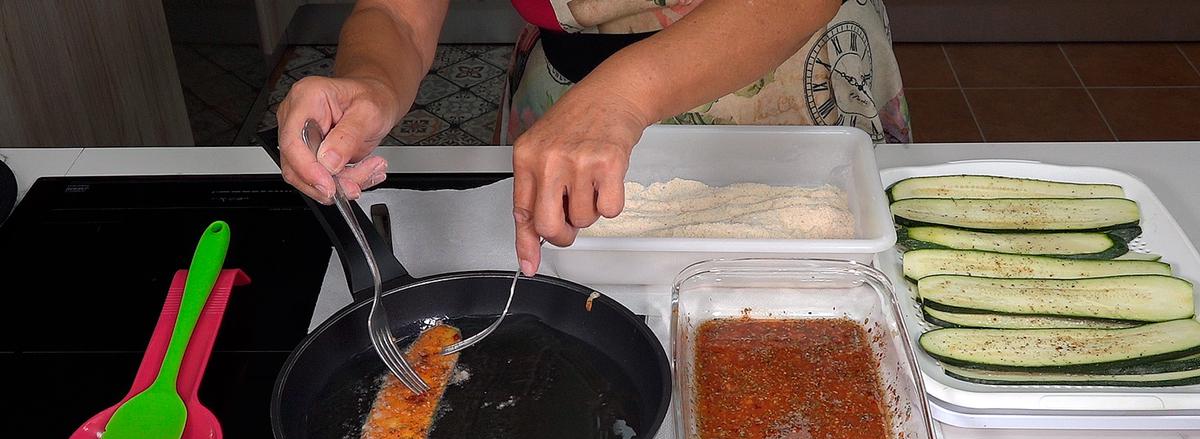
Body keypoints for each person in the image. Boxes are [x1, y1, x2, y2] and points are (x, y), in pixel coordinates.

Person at [277, 0, 908, 275]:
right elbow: (394, 13)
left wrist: (623, 96)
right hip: (565, 92)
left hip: (787, 84)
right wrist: (371, 80)